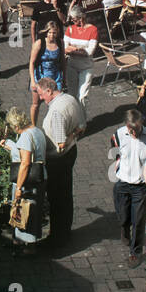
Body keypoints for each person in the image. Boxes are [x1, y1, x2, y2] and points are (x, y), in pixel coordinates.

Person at [38, 77, 86, 247]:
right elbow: (82, 125)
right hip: (72, 152)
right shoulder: (70, 99)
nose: (41, 98)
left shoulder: (57, 112)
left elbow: (60, 144)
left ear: (49, 91)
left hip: (59, 159)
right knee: (66, 193)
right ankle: (65, 230)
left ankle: (57, 236)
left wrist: (68, 136)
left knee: (57, 197)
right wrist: (74, 133)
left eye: (41, 94)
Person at [112, 109, 146, 267]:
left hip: (140, 186)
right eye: (131, 129)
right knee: (123, 216)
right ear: (126, 126)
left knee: (139, 220)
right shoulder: (118, 135)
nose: (134, 132)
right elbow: (115, 153)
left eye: (137, 129)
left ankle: (135, 252)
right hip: (122, 183)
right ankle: (124, 229)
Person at [1, 108, 47, 245]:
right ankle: (20, 242)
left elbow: (25, 163)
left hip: (28, 182)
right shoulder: (36, 131)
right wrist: (11, 147)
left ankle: (28, 247)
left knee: (26, 212)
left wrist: (19, 188)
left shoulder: (26, 136)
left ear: (16, 126)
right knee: (31, 211)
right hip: (40, 177)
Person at [29, 22, 66, 125]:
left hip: (55, 77)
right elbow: (31, 63)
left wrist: (64, 78)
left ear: (57, 33)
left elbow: (63, 60)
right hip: (41, 76)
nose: (51, 35)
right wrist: (33, 81)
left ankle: (53, 126)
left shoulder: (60, 42)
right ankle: (33, 125)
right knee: (36, 104)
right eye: (49, 32)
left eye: (54, 33)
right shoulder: (39, 43)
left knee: (56, 105)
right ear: (46, 32)